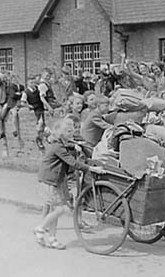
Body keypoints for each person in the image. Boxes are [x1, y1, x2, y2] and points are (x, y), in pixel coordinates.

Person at [33, 117, 105, 249]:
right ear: (60, 133)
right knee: (61, 209)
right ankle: (40, 228)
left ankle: (52, 239)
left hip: (57, 181)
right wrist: (92, 168)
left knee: (56, 210)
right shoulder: (57, 147)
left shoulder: (61, 144)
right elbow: (72, 162)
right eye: (68, 132)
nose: (71, 134)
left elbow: (70, 149)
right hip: (49, 181)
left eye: (72, 131)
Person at [21, 74, 47, 151]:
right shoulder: (26, 92)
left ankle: (41, 139)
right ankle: (39, 139)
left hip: (41, 107)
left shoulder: (38, 89)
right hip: (35, 109)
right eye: (31, 83)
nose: (32, 84)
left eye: (33, 82)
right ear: (27, 83)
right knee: (40, 124)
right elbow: (23, 103)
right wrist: (29, 106)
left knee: (42, 125)